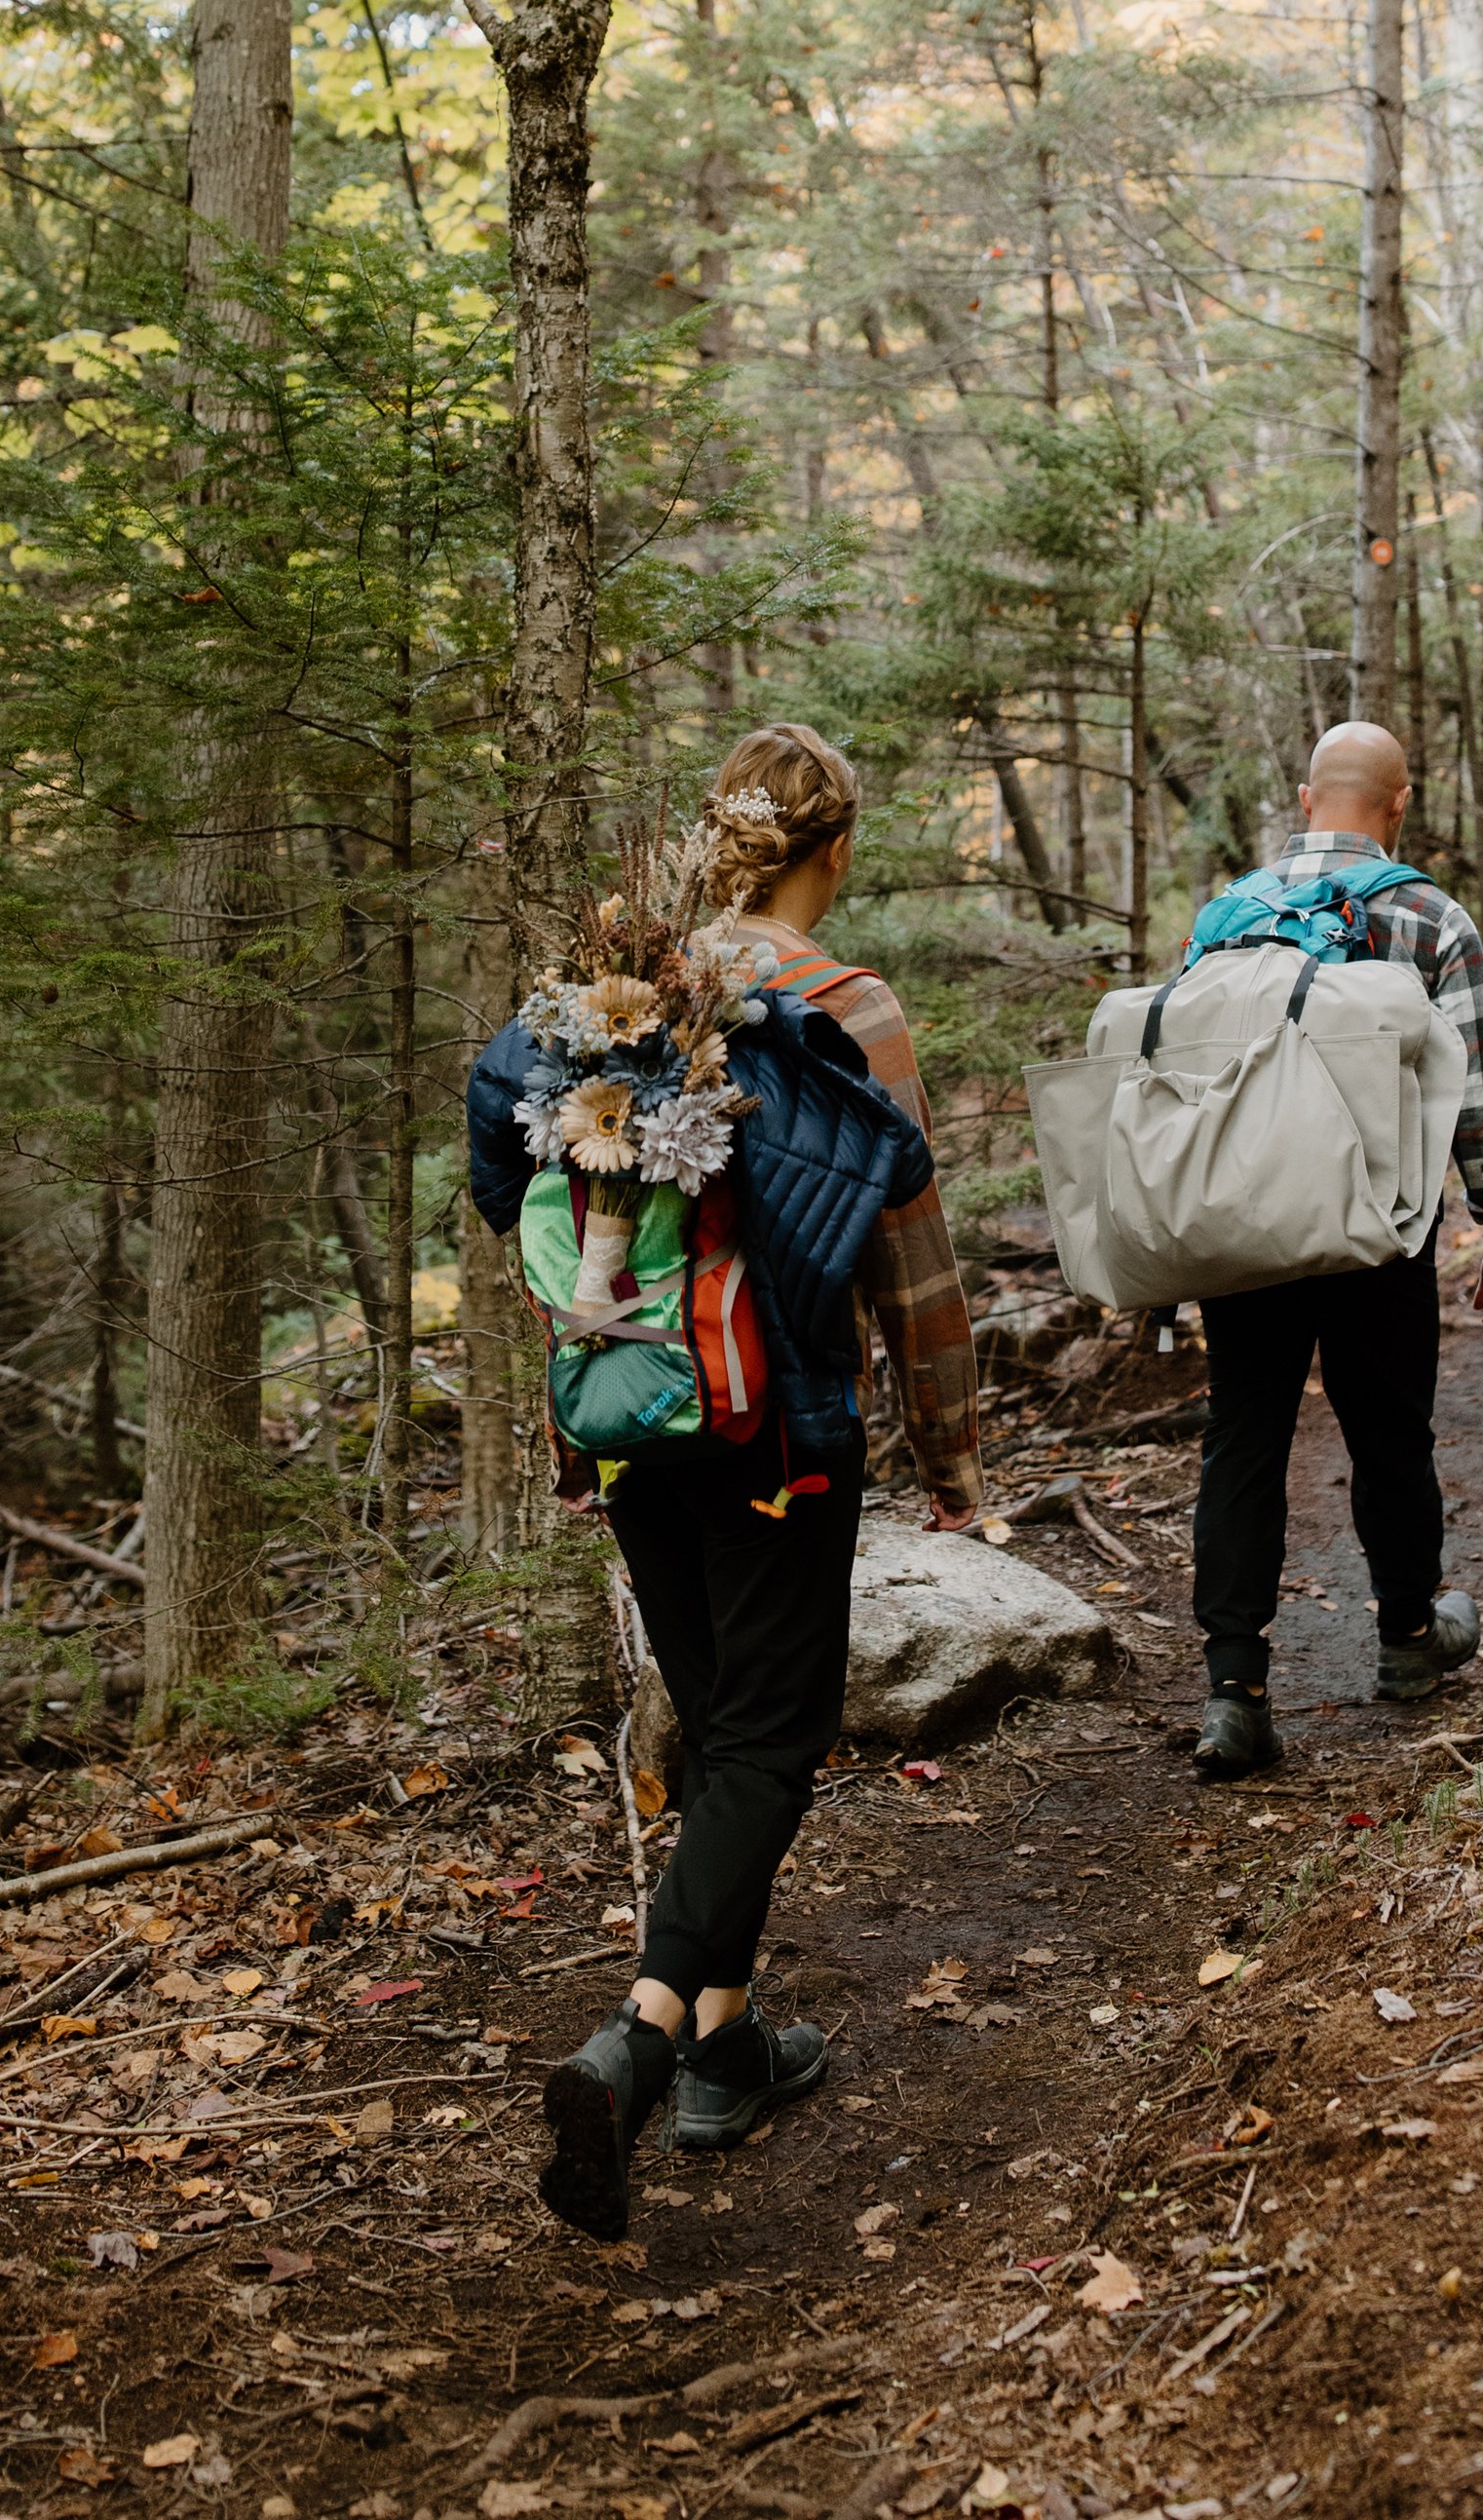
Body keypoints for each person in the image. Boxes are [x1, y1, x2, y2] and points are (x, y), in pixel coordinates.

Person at [516, 724, 985, 2239]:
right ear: (832, 850)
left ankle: (727, 2051)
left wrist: (576, 1423)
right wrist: (951, 1443)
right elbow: (911, 1254)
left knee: (722, 1721)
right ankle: (645, 2035)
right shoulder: (850, 1005)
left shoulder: (623, 989)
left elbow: (547, 1201)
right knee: (774, 1740)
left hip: (643, 1412)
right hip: (783, 1426)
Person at [1188, 720, 1483, 1779]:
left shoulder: (1225, 917)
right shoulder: (1428, 914)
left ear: (1306, 798)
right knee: (1389, 1429)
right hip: (1378, 1221)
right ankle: (1405, 1640)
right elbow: (1476, 1093)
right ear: (1400, 802)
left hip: (1244, 1217)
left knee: (1241, 1436)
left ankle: (1233, 1693)